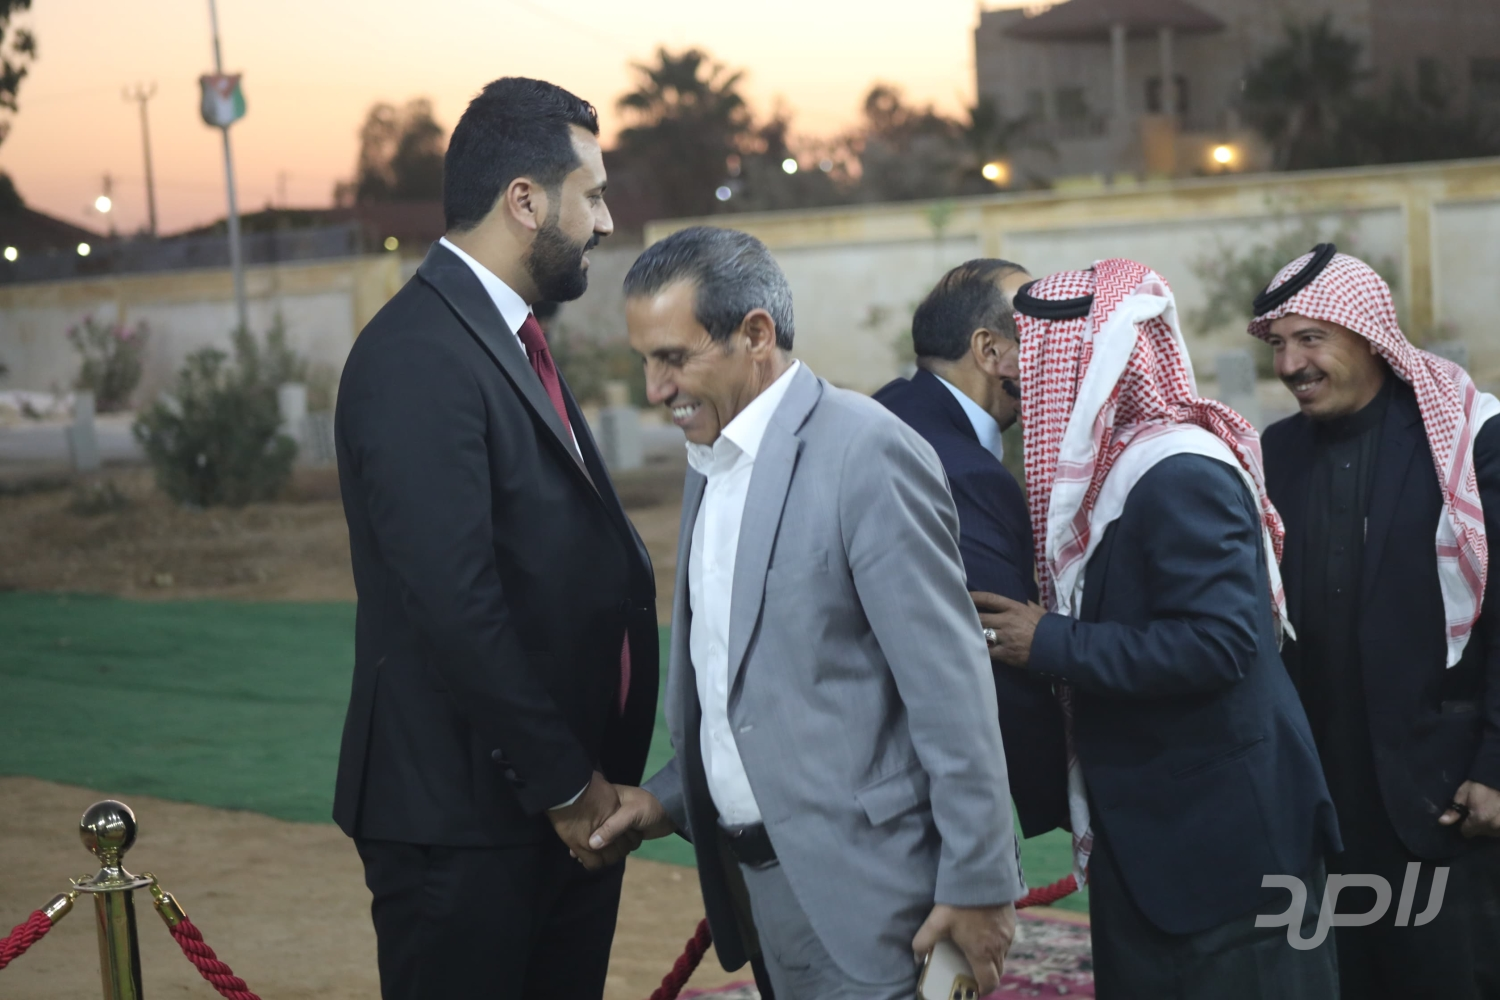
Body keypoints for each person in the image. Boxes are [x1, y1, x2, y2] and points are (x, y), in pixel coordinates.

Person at [590, 226, 1025, 1000]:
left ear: (757, 334)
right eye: (645, 361)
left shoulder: (866, 450)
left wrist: (981, 886)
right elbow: (753, 685)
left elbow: (951, 691)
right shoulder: (710, 458)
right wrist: (669, 798)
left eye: (674, 357)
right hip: (762, 901)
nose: (655, 389)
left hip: (879, 901)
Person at [331, 77, 658, 999]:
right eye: (592, 195)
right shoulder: (418, 352)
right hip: (469, 823)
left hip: (549, 813)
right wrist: (567, 787)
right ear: (525, 200)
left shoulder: (498, 337)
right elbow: (454, 600)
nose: (605, 222)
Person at [977, 259, 1342, 998]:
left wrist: (1049, 642)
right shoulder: (1124, 474)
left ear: (1088, 360)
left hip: (1224, 843)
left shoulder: (1179, 472)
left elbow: (1218, 643)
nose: (1018, 373)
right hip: (1159, 836)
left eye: (1033, 353)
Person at [1251, 244, 1500, 999]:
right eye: (1278, 343)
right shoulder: (1274, 452)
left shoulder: (1468, 440)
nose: (1291, 364)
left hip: (1443, 793)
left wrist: (1496, 765)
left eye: (1311, 338)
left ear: (1369, 337)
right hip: (1319, 796)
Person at [874, 259, 1068, 838]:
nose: (1053, 355)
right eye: (1035, 334)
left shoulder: (893, 409)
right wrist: (1069, 802)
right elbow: (999, 646)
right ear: (989, 350)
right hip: (914, 804)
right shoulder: (962, 470)